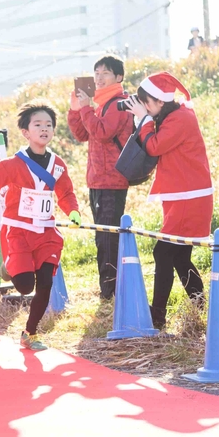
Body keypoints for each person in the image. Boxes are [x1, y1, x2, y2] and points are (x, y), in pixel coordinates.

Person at [0, 101, 81, 351]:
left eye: (49, 125)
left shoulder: (57, 164)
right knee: (24, 286)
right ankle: (10, 265)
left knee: (45, 282)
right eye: (38, 125)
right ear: (25, 132)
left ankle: (30, 333)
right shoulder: (13, 164)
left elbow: (66, 193)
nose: (44, 129)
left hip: (46, 232)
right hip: (18, 231)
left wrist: (73, 211)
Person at [123, 72, 212, 329]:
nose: (145, 108)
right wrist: (145, 117)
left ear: (160, 102)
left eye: (147, 103)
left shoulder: (180, 118)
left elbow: (154, 147)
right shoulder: (174, 115)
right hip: (183, 194)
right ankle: (199, 307)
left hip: (188, 196)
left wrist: (144, 119)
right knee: (179, 256)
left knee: (163, 252)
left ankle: (158, 315)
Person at [68, 55, 132, 299]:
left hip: (111, 180)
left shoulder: (119, 103)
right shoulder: (101, 105)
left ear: (118, 77)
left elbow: (103, 132)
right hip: (98, 179)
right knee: (103, 236)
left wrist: (86, 109)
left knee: (107, 238)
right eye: (96, 74)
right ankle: (110, 289)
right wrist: (77, 110)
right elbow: (84, 134)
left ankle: (111, 292)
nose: (98, 78)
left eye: (105, 73)